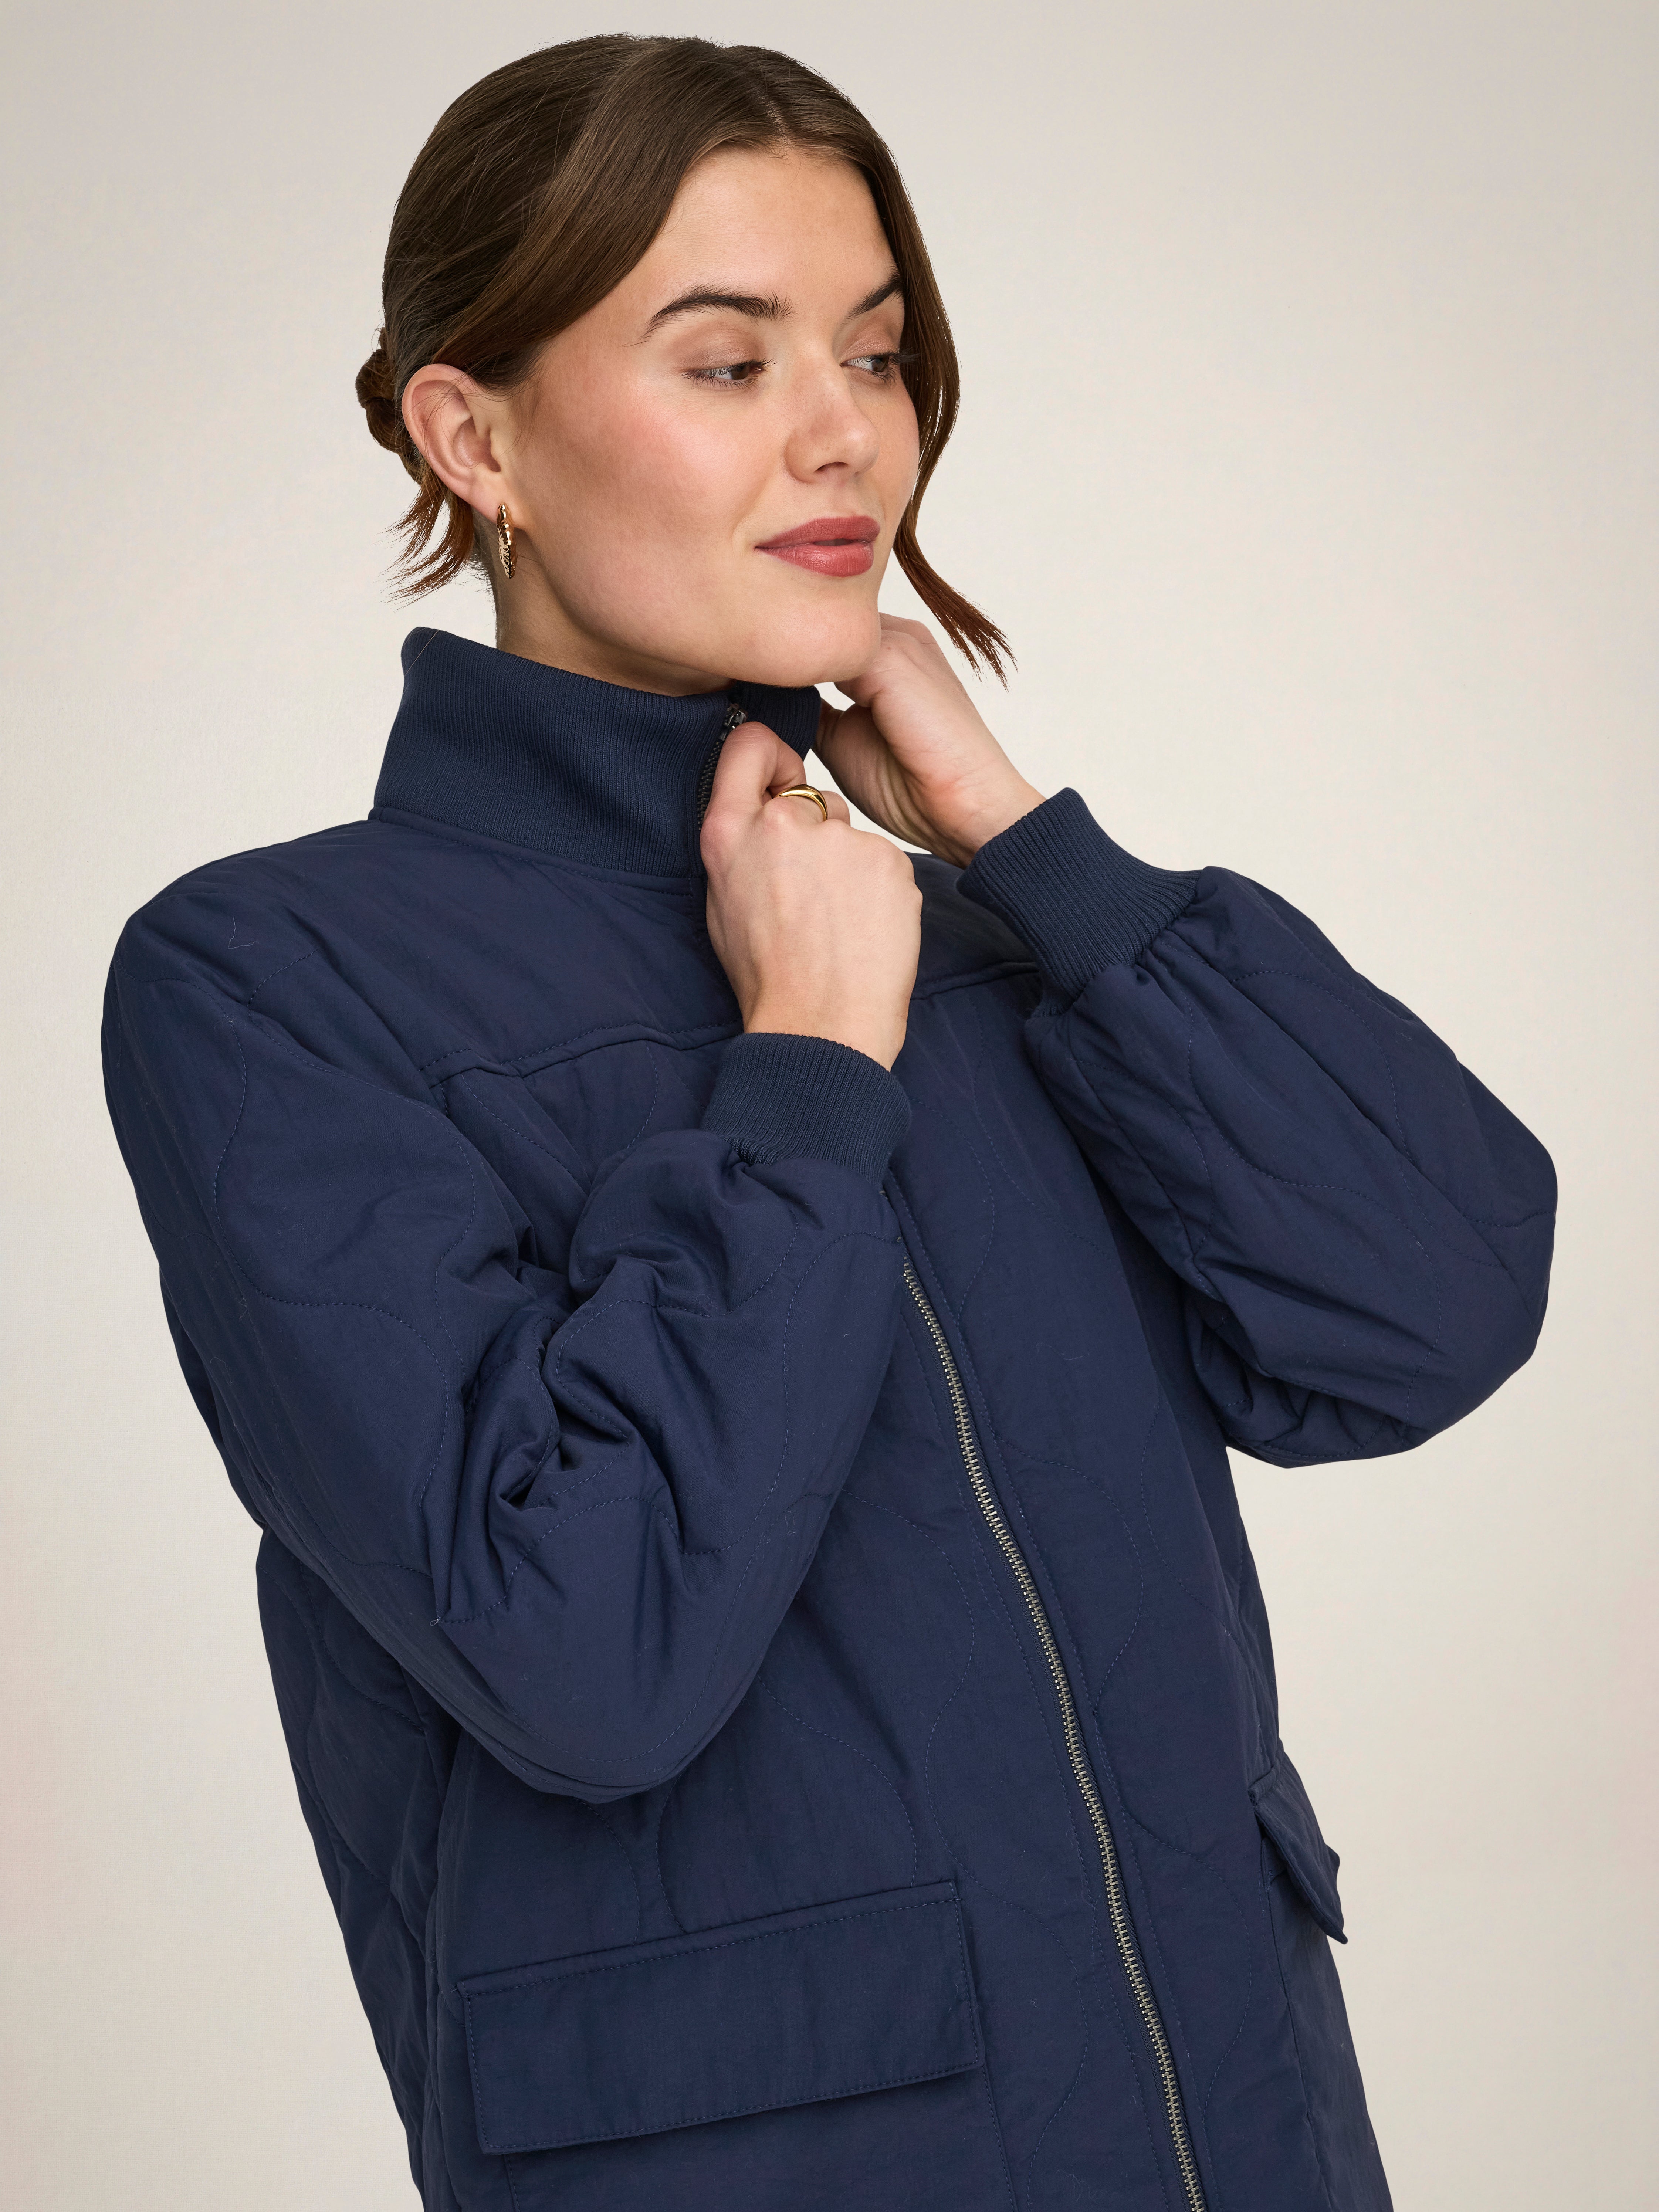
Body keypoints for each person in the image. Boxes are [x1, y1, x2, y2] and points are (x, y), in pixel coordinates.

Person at [101, 34, 1555, 2212]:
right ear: (472, 436)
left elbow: (1425, 1312)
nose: (841, 432)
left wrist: (1024, 842)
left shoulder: (989, 940)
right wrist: (798, 1074)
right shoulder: (276, 985)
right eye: (727, 361)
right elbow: (578, 1649)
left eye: (875, 353)